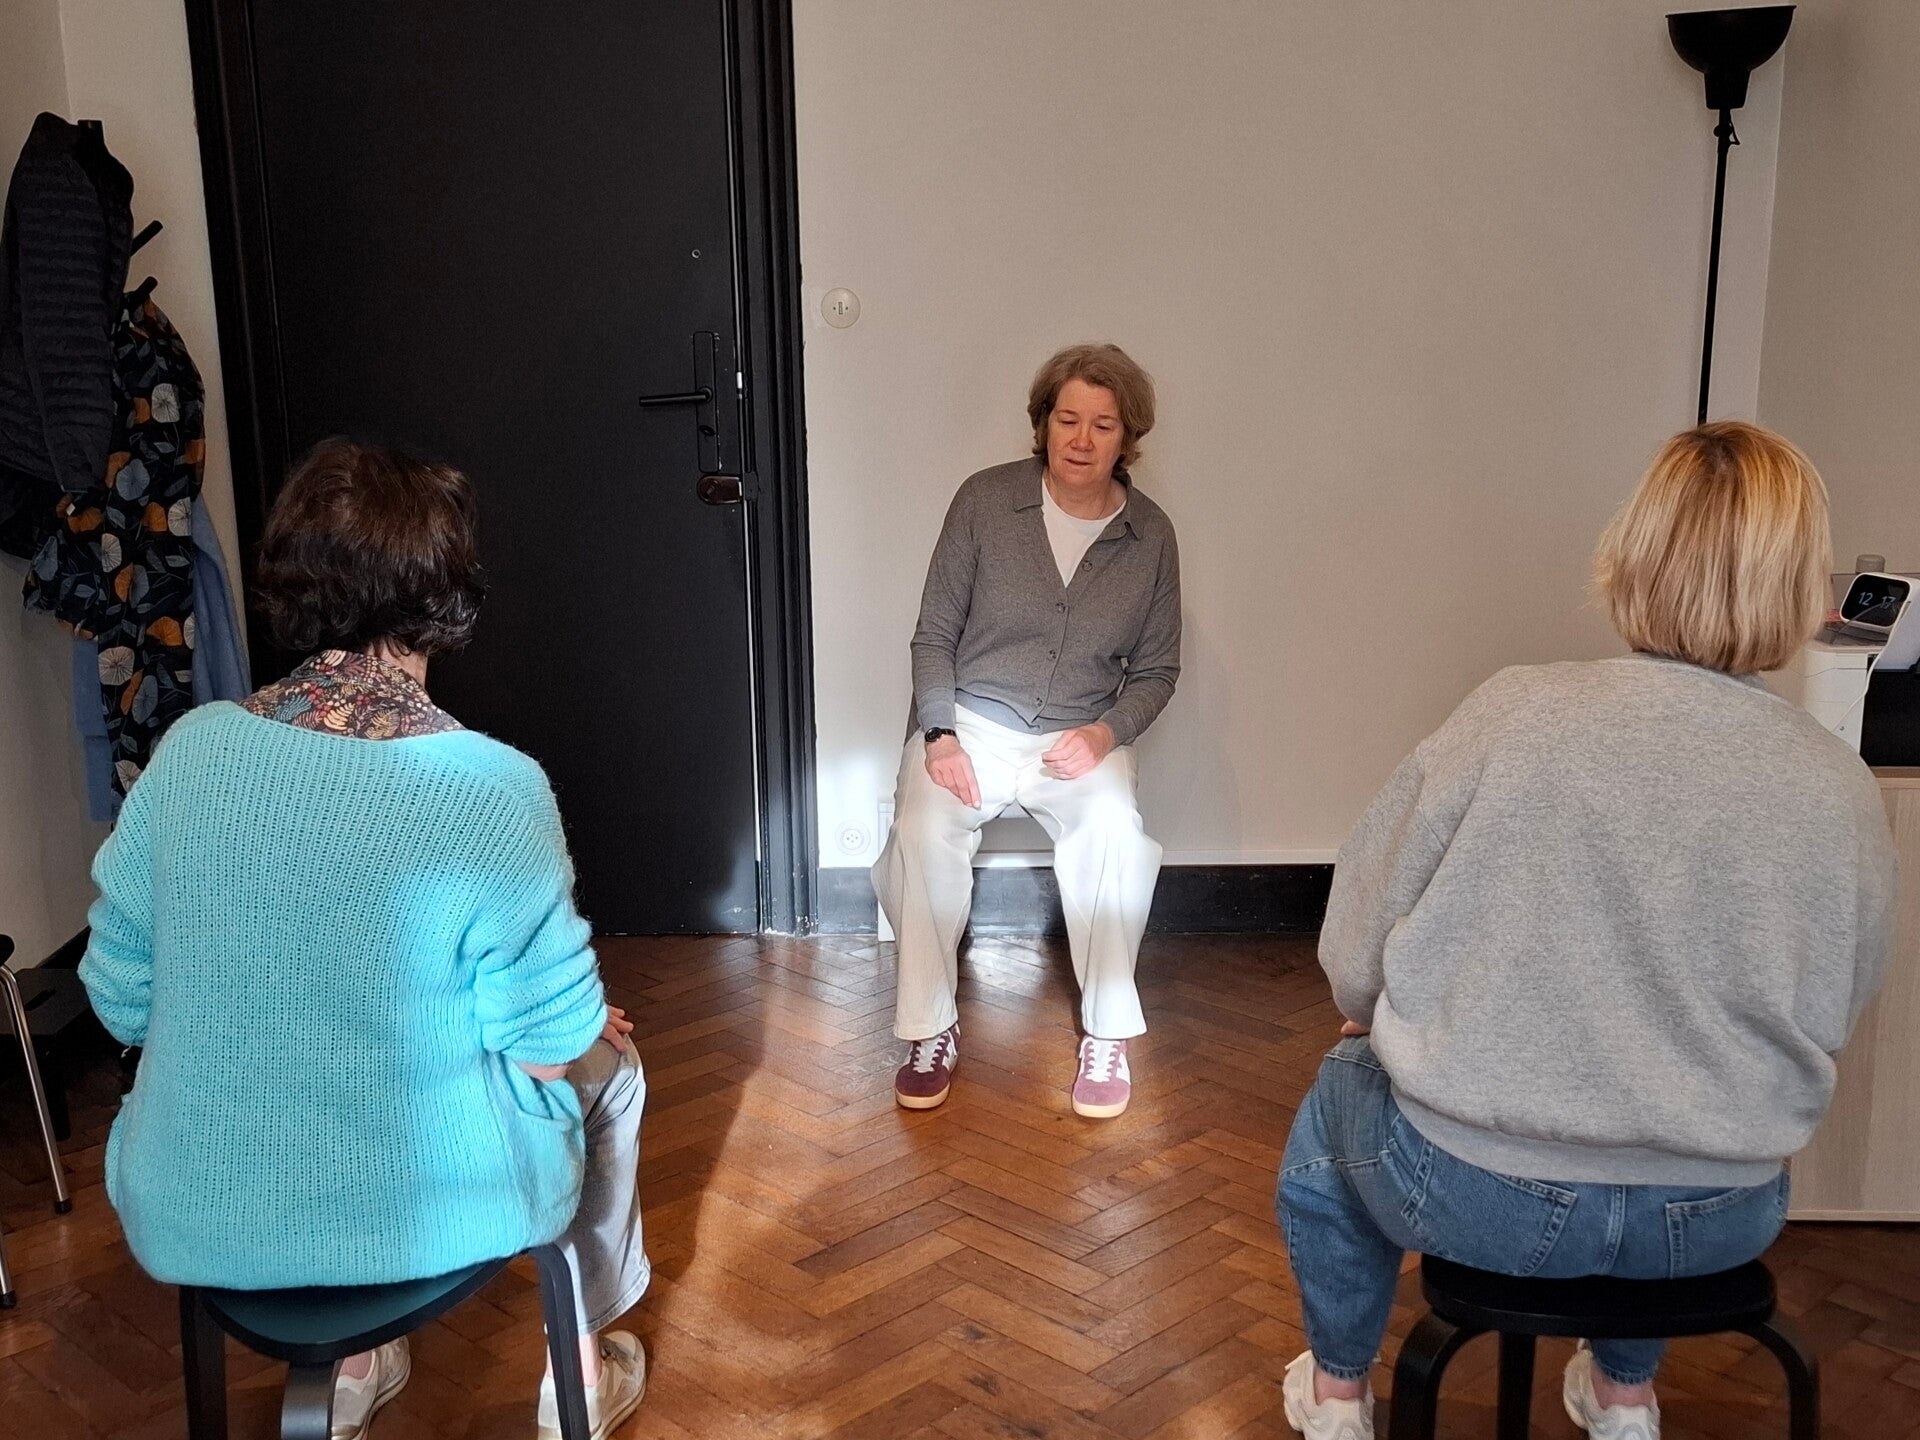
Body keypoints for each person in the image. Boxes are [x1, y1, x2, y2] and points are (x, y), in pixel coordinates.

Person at [1276, 421, 1897, 1440]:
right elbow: (1840, 1004)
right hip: (1716, 1219)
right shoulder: (1840, 784)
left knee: (1339, 1090)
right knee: (1658, 1113)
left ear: (1636, 549)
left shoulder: (1515, 711)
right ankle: (1623, 1394)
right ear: (1796, 585)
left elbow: (1357, 934)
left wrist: (1373, 1015)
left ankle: (1338, 1395)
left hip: (1476, 1195)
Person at [79, 440, 650, 1440]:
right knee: (614, 1072)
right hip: (435, 1212)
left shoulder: (191, 753)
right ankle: (580, 1375)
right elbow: (549, 1051)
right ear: (444, 595)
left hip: (199, 1210)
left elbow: (121, 999)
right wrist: (568, 1011)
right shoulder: (494, 786)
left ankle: (351, 1371)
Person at [872, 343, 1181, 1118]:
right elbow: (933, 636)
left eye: (1102, 425)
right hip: (970, 722)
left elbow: (1157, 671)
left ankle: (1107, 1032)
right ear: (1043, 424)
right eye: (1067, 419)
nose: (1081, 439)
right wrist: (939, 735)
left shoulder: (1151, 536)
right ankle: (928, 1029)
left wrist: (1106, 735)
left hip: (1079, 733)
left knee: (1114, 831)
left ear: (1127, 437)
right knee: (922, 828)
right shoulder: (984, 500)